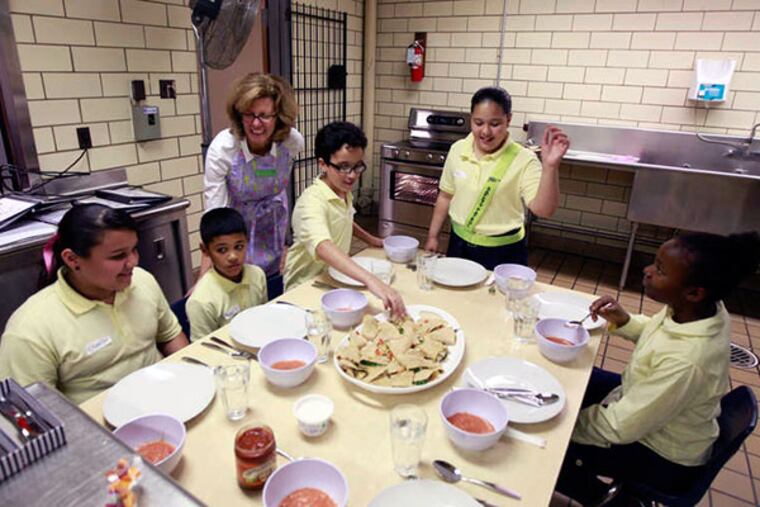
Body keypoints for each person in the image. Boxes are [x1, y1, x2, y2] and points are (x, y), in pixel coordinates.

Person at [556, 231, 760, 505]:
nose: (647, 271)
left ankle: (611, 501)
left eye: (660, 270)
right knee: (573, 379)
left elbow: (620, 426)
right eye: (654, 262)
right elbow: (658, 332)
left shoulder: (689, 361)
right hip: (646, 404)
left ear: (694, 292)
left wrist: (560, 426)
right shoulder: (697, 310)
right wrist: (625, 320)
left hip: (664, 457)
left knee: (554, 449)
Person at [0, 204, 189, 404]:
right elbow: (36, 413)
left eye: (134, 250)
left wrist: (190, 379)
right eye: (118, 256)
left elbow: (170, 336)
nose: (132, 262)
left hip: (165, 397)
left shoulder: (142, 281)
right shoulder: (29, 330)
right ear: (72, 260)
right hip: (98, 428)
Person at [425, 86, 570, 269]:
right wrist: (432, 236)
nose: (485, 132)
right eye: (478, 123)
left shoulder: (524, 159)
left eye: (494, 124)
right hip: (459, 245)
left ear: (508, 120)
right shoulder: (458, 149)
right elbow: (445, 196)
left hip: (504, 252)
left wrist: (550, 167)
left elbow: (544, 210)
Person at [284, 121, 406, 317]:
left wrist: (372, 240)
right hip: (306, 288)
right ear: (322, 163)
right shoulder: (311, 202)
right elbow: (323, 246)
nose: (351, 176)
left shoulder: (341, 190)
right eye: (343, 167)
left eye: (357, 167)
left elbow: (345, 218)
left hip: (335, 278)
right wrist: (371, 280)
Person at [204, 73, 304, 299]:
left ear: (278, 117)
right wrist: (206, 271)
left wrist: (290, 242)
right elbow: (215, 212)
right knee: (242, 292)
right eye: (249, 115)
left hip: (275, 225)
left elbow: (282, 188)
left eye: (264, 116)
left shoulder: (292, 142)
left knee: (274, 287)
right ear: (239, 115)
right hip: (238, 232)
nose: (256, 124)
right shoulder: (224, 148)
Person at [186, 207, 267, 341]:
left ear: (247, 242)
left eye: (239, 247)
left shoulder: (257, 275)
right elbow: (203, 348)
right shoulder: (200, 301)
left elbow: (263, 317)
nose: (233, 256)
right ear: (205, 250)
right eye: (222, 250)